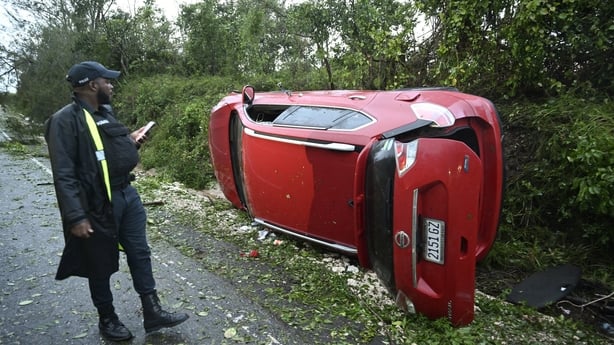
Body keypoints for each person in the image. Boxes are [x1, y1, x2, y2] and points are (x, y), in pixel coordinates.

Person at [45, 61, 189, 341]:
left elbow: (109, 148)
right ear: (91, 85)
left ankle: (153, 311)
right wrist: (76, 216)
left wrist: (132, 140)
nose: (111, 85)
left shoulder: (105, 112)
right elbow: (63, 173)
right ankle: (107, 319)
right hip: (95, 203)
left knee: (140, 252)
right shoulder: (63, 121)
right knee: (99, 262)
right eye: (106, 81)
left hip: (127, 195)